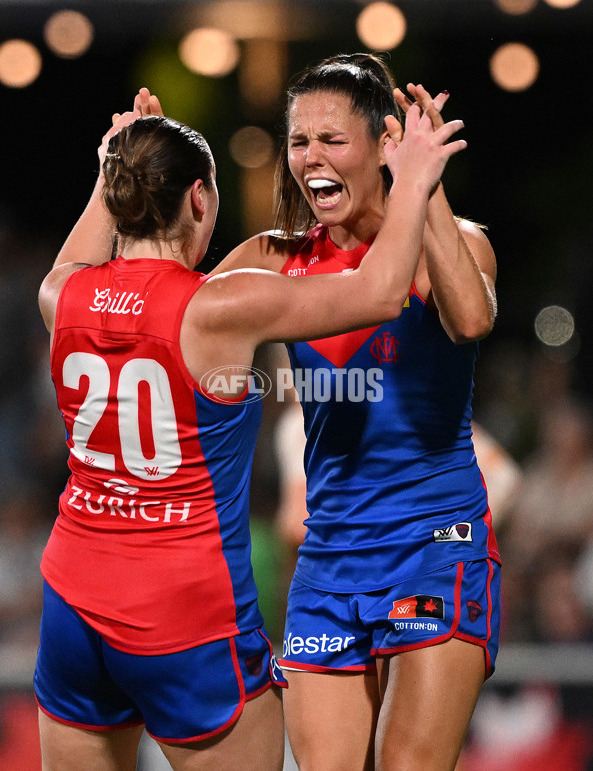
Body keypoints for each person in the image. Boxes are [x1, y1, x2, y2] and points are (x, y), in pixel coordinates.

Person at [35, 86, 465, 769]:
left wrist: (113, 163)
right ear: (201, 199)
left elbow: (78, 260)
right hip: (184, 607)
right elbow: (381, 293)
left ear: (116, 195)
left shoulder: (61, 295)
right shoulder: (216, 307)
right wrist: (413, 179)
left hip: (72, 600)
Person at [194, 53, 500, 771]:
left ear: (384, 144)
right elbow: (180, 318)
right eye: (299, 141)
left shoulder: (451, 242)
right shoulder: (275, 258)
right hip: (328, 562)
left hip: (436, 544)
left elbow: (471, 318)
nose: (310, 157)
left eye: (332, 139)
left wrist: (424, 183)